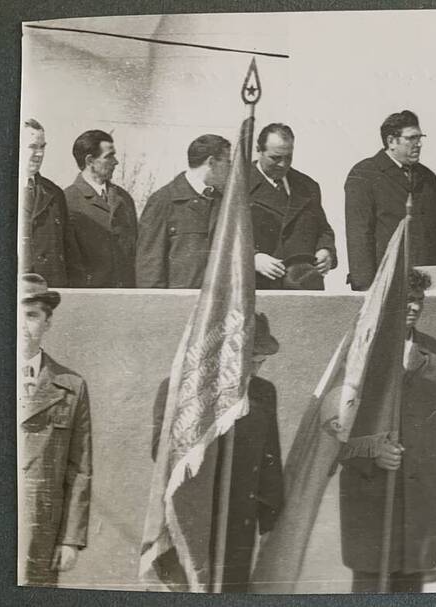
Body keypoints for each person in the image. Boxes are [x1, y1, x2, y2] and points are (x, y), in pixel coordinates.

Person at [339, 270, 436, 593]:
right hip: (372, 498)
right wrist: (372, 451)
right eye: (406, 300)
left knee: (410, 588)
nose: (413, 307)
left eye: (418, 301)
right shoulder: (361, 352)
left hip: (420, 496)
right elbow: (334, 428)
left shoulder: (434, 353)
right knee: (371, 587)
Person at [151, 313, 284, 592]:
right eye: (251, 359)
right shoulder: (179, 388)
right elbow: (159, 452)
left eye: (262, 360)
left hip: (239, 521)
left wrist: (271, 518)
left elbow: (270, 457)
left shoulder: (263, 392)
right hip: (193, 515)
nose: (257, 368)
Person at [18, 274, 92, 587]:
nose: (22, 324)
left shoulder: (71, 387)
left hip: (40, 530)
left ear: (47, 322)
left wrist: (71, 539)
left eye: (32, 316)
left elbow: (80, 469)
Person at [344, 110, 436, 291]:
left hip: (427, 285)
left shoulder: (428, 177)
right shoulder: (364, 174)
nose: (419, 144)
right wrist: (365, 289)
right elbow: (359, 236)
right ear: (391, 141)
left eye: (420, 137)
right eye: (412, 138)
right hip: (385, 283)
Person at [135, 135, 231, 288]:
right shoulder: (163, 200)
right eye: (227, 162)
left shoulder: (223, 201)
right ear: (212, 162)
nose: (230, 169)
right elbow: (149, 266)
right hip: (177, 305)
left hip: (215, 302)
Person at [249, 123, 337, 290]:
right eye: (275, 158)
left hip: (304, 285)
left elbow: (323, 230)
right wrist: (252, 258)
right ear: (258, 150)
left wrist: (326, 250)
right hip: (258, 287)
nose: (283, 164)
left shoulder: (307, 186)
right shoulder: (238, 186)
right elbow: (222, 238)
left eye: (288, 157)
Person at [63, 129, 138, 288]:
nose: (116, 162)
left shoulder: (124, 199)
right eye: (109, 156)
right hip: (90, 300)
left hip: (125, 297)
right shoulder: (66, 201)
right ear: (90, 161)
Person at [19, 119, 69, 286]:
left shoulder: (54, 193)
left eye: (42, 147)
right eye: (33, 147)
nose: (39, 154)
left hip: (50, 289)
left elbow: (68, 250)